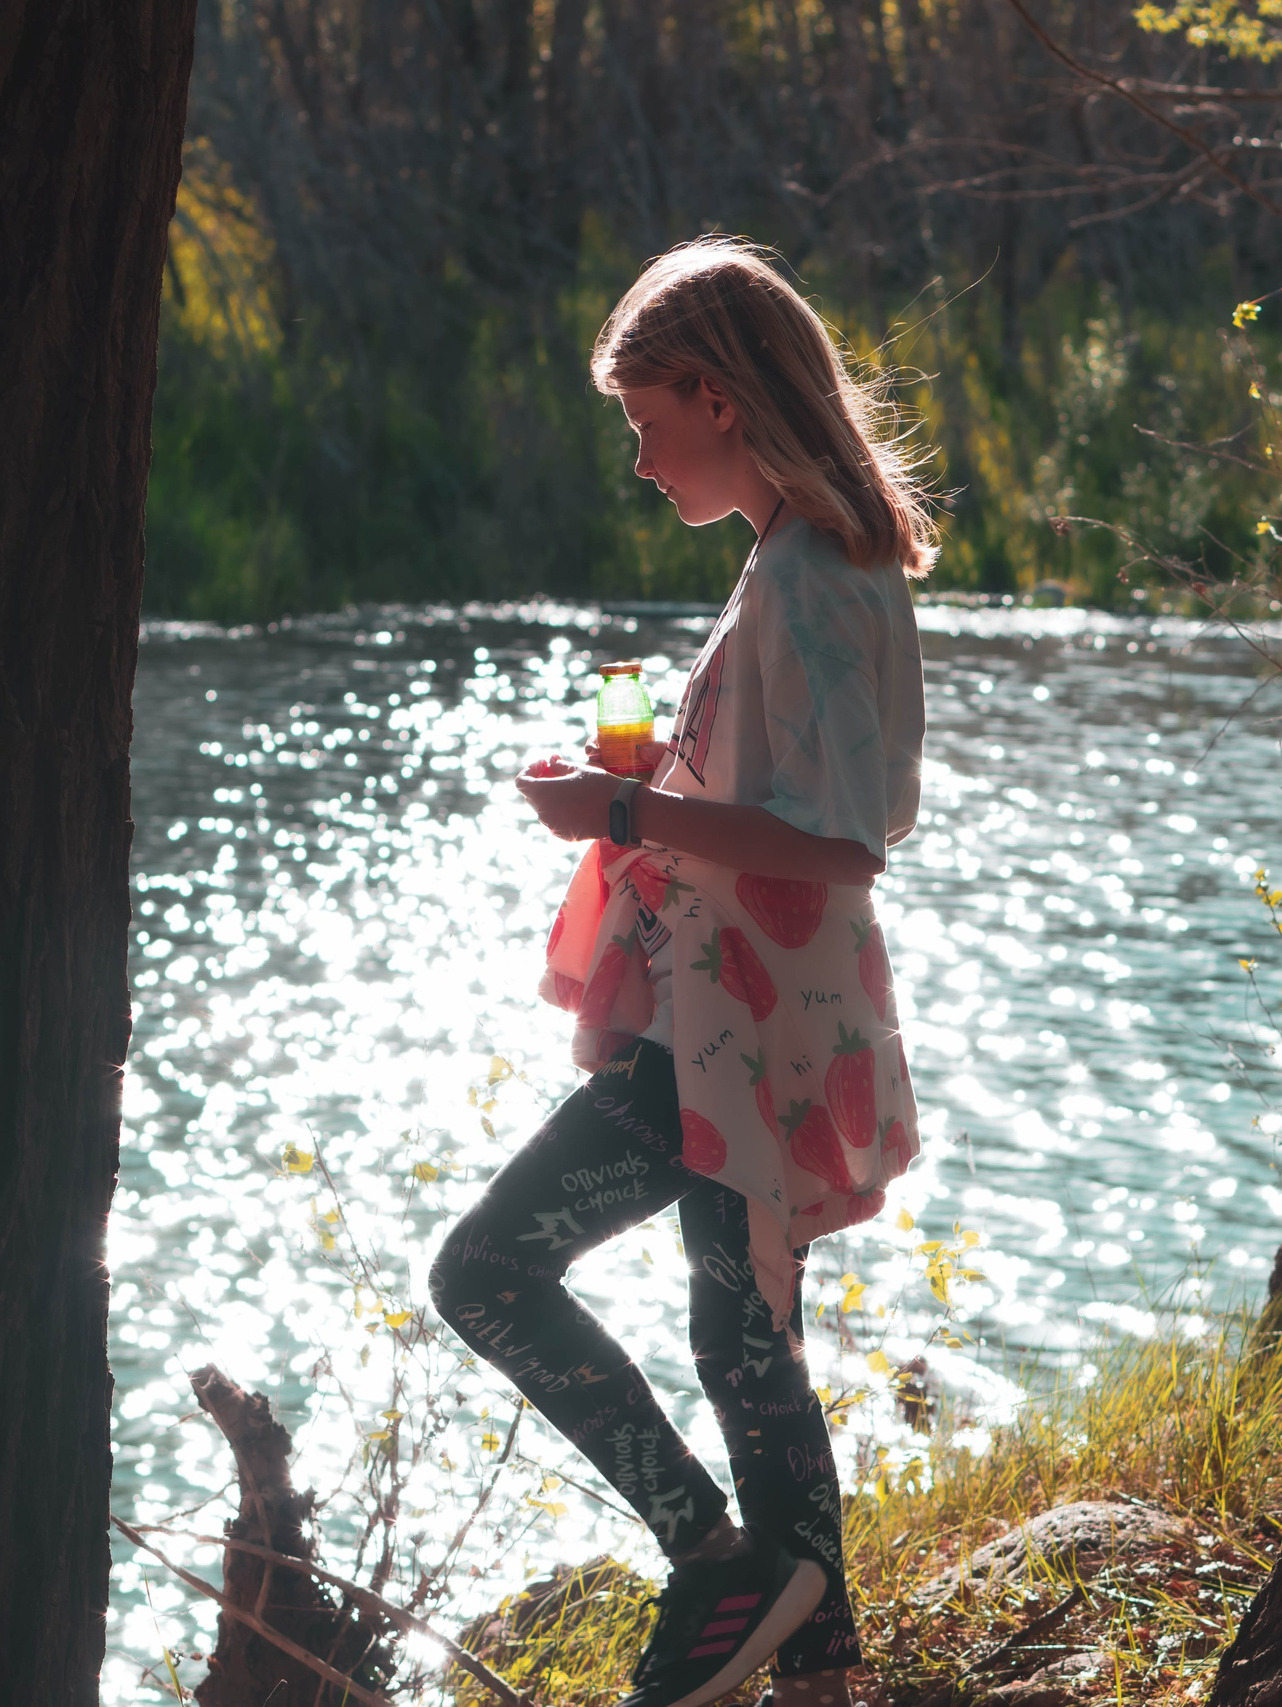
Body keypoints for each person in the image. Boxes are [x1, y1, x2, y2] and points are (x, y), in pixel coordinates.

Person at [430, 236, 931, 1707]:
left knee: (490, 1272)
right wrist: (635, 786)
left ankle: (711, 1562)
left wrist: (626, 813)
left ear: (716, 394)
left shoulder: (813, 574)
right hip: (735, 1015)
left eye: (648, 421)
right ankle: (818, 1680)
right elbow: (786, 800)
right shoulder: (794, 561)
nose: (642, 461)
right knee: (743, 1335)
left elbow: (843, 841)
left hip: (747, 1028)